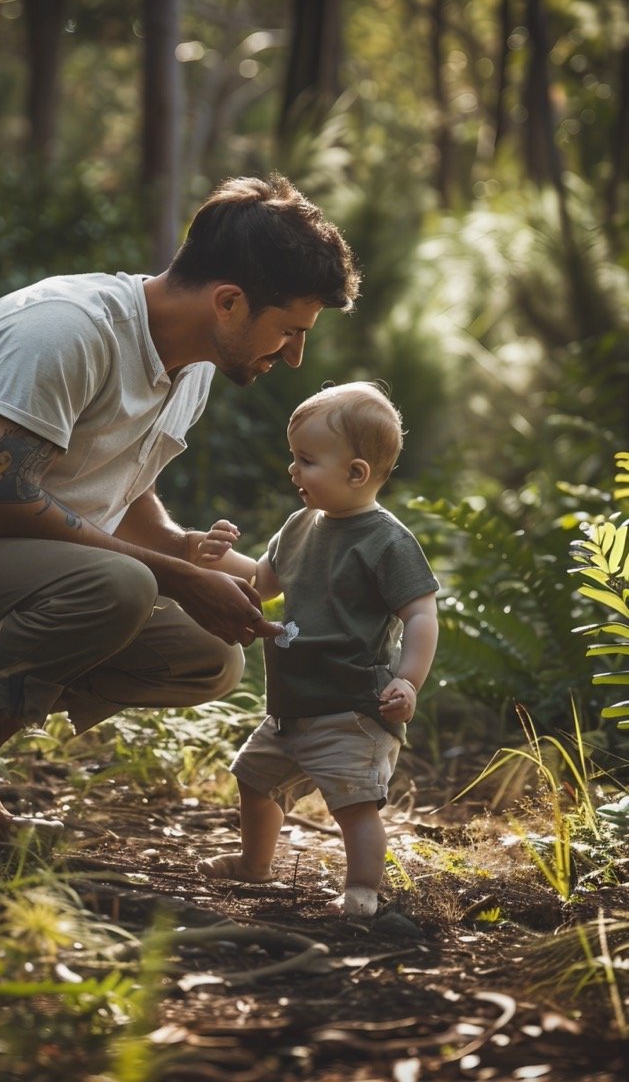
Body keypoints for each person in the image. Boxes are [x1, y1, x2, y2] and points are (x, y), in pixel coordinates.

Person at [0, 174, 360, 839]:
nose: (293, 357)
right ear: (229, 302)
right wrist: (173, 576)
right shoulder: (66, 331)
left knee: (206, 652)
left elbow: (117, 480)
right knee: (116, 588)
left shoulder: (194, 363)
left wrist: (199, 556)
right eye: (288, 331)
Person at [195, 381, 439, 917]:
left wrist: (408, 679)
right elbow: (264, 582)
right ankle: (255, 866)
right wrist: (215, 559)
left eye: (305, 460)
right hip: (291, 705)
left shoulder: (387, 541)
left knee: (355, 805)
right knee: (254, 781)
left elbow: (420, 613)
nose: (292, 471)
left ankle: (362, 892)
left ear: (355, 472)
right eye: (293, 458)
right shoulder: (299, 525)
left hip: (353, 706)